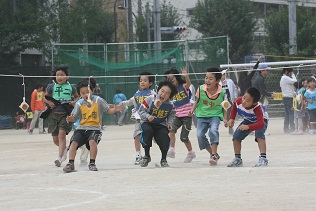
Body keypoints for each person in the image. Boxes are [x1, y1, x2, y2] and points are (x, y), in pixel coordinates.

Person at [64, 80, 122, 172]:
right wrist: (70, 119)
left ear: (92, 90)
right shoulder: (79, 103)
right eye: (83, 93)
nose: (86, 95)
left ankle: (92, 163)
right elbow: (74, 117)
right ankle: (70, 163)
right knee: (73, 143)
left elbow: (108, 110)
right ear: (79, 94)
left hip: (95, 129)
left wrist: (115, 109)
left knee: (92, 142)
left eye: (88, 92)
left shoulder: (98, 100)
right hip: (81, 129)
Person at [189, 67, 227, 165]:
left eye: (210, 79)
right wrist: (192, 110)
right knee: (199, 135)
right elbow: (197, 101)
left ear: (217, 81)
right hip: (201, 116)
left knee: (213, 131)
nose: (207, 80)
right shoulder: (200, 89)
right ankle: (213, 154)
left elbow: (225, 106)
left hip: (215, 115)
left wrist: (225, 119)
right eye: (206, 78)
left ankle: (213, 154)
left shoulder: (222, 92)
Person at [44, 65, 79, 167]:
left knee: (61, 135)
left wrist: (73, 102)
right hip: (53, 115)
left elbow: (77, 97)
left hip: (66, 114)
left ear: (67, 77)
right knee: (56, 139)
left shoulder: (71, 87)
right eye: (57, 75)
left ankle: (60, 158)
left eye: (62, 75)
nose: (59, 77)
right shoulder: (51, 86)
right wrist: (49, 103)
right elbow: (45, 97)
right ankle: (66, 148)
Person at [138, 80, 177, 167]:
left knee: (164, 137)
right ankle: (147, 156)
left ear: (169, 96)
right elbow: (141, 111)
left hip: (161, 124)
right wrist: (148, 116)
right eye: (162, 91)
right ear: (158, 91)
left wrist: (170, 123)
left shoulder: (171, 105)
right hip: (147, 122)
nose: (163, 94)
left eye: (167, 93)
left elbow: (172, 115)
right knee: (147, 131)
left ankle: (163, 159)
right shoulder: (149, 99)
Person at [226, 87, 269, 167]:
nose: (244, 101)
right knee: (236, 136)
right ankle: (237, 159)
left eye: (248, 101)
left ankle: (263, 158)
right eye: (244, 97)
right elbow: (234, 107)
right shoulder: (239, 101)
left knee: (259, 134)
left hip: (261, 120)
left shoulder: (257, 108)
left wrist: (248, 127)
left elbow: (261, 124)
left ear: (254, 103)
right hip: (248, 120)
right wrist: (232, 118)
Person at [122, 71, 156, 164]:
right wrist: (123, 103)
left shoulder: (152, 93)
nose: (142, 82)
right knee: (136, 134)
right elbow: (131, 101)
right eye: (141, 80)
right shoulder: (137, 93)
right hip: (139, 118)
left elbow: (157, 102)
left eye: (145, 80)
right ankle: (138, 155)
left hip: (149, 118)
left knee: (152, 135)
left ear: (150, 83)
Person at [164, 67, 196, 163]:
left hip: (187, 115)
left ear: (177, 78)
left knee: (184, 138)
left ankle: (191, 153)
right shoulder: (170, 91)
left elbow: (188, 84)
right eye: (169, 80)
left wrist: (186, 76)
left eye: (172, 79)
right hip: (177, 115)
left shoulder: (183, 86)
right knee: (171, 130)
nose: (171, 82)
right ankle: (172, 149)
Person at [219, 70, 238, 135]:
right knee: (225, 116)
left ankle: (231, 129)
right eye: (222, 75)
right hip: (222, 101)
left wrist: (235, 97)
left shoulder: (230, 81)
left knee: (230, 115)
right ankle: (225, 123)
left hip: (229, 100)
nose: (224, 76)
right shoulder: (218, 83)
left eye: (225, 74)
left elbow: (235, 89)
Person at [280, 67, 297, 133]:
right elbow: (295, 81)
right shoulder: (285, 78)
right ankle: (292, 128)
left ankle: (286, 128)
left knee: (287, 114)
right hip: (288, 98)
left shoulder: (283, 78)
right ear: (286, 71)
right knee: (291, 113)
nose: (290, 73)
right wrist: (293, 75)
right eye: (290, 72)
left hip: (286, 97)